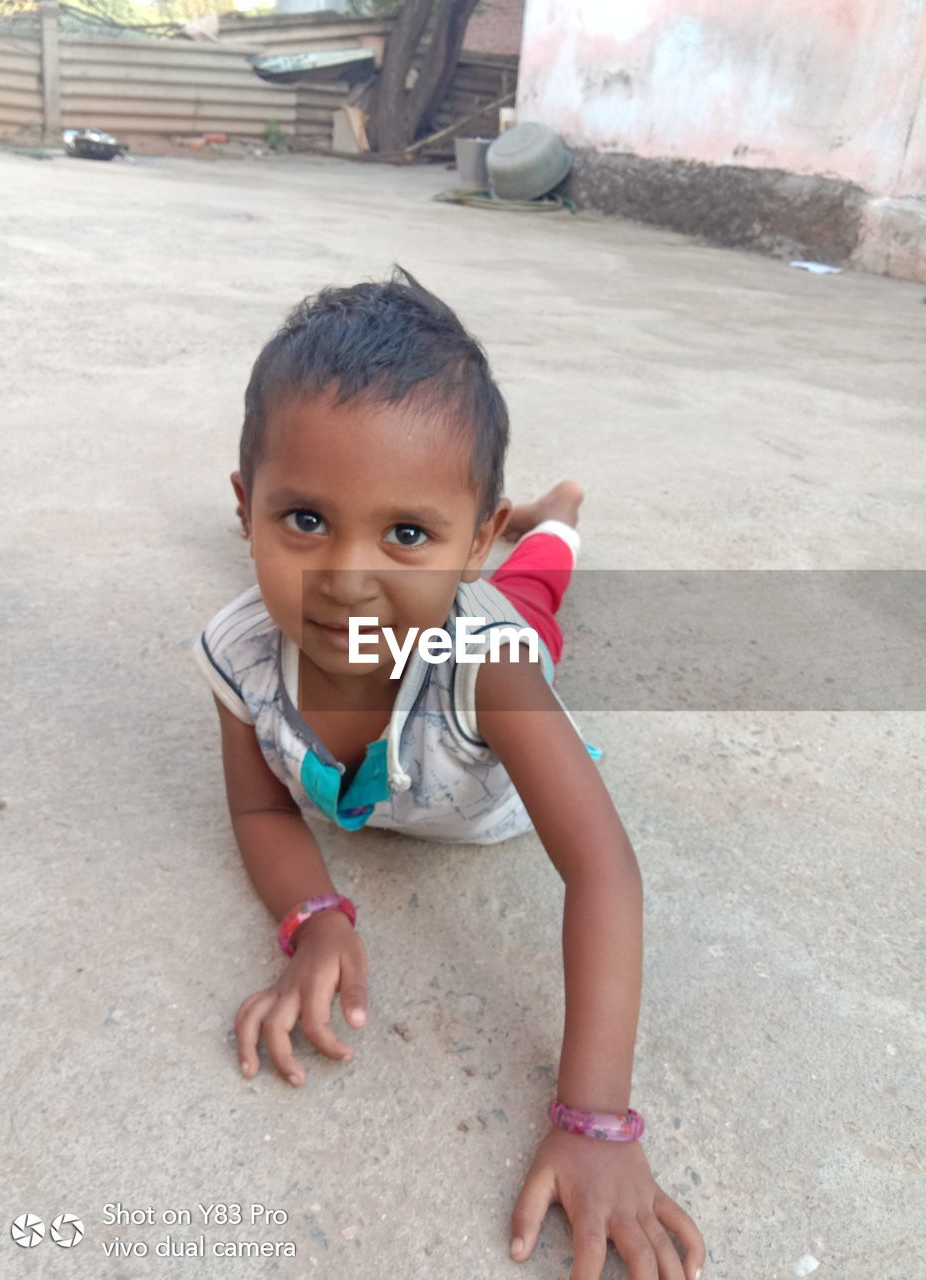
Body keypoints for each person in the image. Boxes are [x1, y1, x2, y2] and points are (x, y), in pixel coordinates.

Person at [195, 268, 706, 1280]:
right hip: (457, 591)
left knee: (538, 589)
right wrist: (313, 914)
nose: (346, 577)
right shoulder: (238, 654)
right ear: (245, 506)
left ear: (467, 536)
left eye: (407, 532)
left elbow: (605, 872)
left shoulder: (495, 673)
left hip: (495, 634)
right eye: (303, 519)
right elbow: (259, 800)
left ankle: (552, 514)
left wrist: (596, 1116)